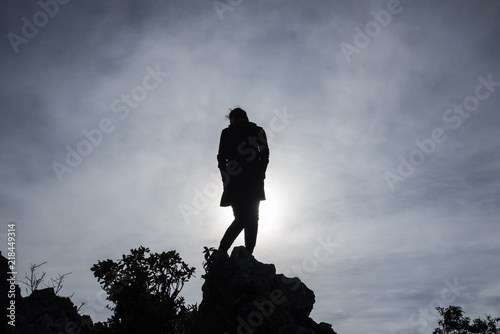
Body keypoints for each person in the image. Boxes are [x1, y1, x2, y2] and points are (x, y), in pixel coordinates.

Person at [217, 108, 269, 255]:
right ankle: (247, 254)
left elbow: (221, 158)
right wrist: (261, 174)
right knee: (252, 218)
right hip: (253, 180)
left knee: (241, 218)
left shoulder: (227, 133)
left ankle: (222, 250)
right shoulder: (258, 130)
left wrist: (224, 177)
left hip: (234, 180)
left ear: (232, 118)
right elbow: (265, 155)